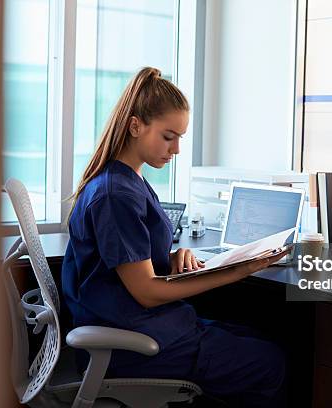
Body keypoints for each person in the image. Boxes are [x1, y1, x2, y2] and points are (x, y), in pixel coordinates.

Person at [62, 67, 287, 407]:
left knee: (258, 337)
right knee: (271, 363)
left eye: (179, 137)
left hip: (144, 327)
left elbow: (127, 264)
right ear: (135, 126)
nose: (177, 149)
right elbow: (147, 292)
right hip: (132, 345)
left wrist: (171, 258)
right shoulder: (116, 194)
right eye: (169, 137)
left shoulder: (128, 181)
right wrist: (237, 270)